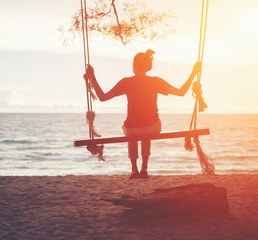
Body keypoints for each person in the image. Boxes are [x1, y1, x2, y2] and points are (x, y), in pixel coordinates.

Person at [85, 49, 202, 179]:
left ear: (134, 66)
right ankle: (144, 168)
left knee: (130, 129)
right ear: (147, 66)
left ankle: (134, 169)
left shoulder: (126, 82)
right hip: (153, 127)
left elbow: (102, 97)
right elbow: (181, 92)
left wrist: (93, 77)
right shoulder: (156, 81)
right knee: (147, 128)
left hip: (133, 130)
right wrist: (194, 72)